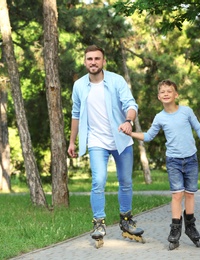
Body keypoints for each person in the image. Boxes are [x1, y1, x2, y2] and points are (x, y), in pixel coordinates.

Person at [67, 45, 144, 247]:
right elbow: (75, 114)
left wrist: (128, 121)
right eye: (89, 59)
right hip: (96, 141)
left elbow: (131, 104)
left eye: (97, 59)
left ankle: (126, 221)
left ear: (103, 61)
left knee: (125, 181)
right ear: (85, 62)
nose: (93, 62)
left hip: (121, 139)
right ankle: (99, 223)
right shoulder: (80, 86)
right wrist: (72, 141)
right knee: (98, 181)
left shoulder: (116, 80)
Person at [128, 79, 200, 250]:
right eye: (162, 92)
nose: (166, 94)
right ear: (159, 97)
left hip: (191, 159)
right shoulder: (160, 117)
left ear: (176, 95)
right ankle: (175, 230)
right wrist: (130, 133)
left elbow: (199, 129)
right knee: (177, 195)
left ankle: (190, 226)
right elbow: (149, 136)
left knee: (189, 194)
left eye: (169, 91)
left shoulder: (186, 111)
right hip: (173, 160)